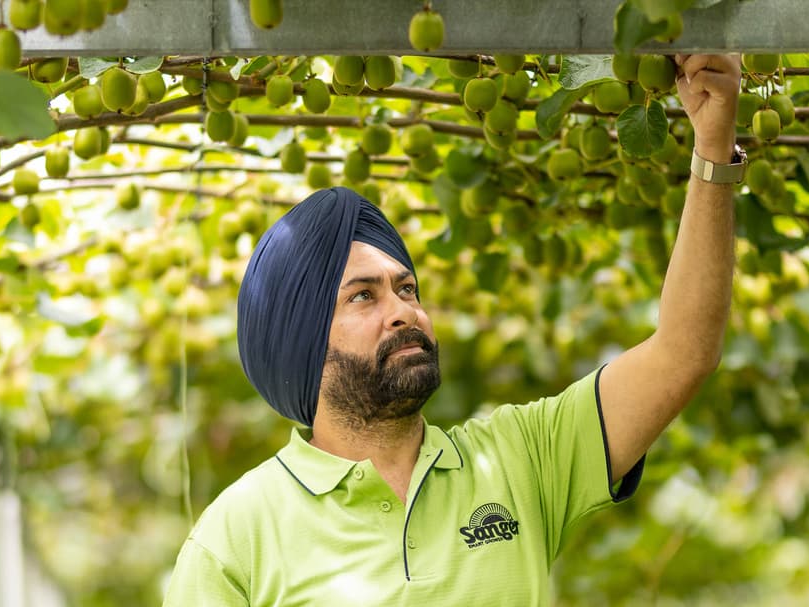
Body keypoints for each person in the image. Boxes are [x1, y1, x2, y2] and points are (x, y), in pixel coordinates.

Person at [163, 53, 742, 606]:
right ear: (302, 342)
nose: (404, 311)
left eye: (407, 288)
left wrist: (713, 144)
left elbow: (684, 351)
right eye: (364, 295)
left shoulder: (520, 458)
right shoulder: (234, 537)